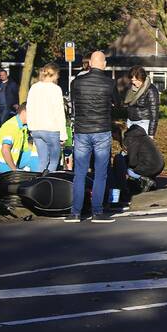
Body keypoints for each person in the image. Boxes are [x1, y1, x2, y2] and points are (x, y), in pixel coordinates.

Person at [67, 51, 121, 223]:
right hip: (102, 130)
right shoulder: (110, 83)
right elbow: (118, 104)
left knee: (80, 172)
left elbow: (73, 102)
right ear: (104, 64)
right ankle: (97, 211)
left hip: (82, 131)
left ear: (89, 63)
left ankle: (75, 212)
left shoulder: (77, 82)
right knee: (100, 173)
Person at [111, 122, 165, 210]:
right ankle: (147, 180)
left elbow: (133, 162)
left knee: (123, 165)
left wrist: (123, 162)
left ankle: (143, 179)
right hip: (158, 164)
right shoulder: (138, 135)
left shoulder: (131, 138)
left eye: (112, 136)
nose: (113, 139)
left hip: (150, 166)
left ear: (116, 133)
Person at [26, 63, 68, 173]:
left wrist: (30, 127)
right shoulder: (56, 89)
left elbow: (29, 108)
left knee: (42, 160)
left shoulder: (34, 88)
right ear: (54, 74)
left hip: (36, 129)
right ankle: (48, 183)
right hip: (51, 129)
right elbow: (59, 112)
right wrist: (63, 134)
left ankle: (39, 184)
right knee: (54, 161)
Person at [0, 105, 29, 173]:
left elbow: (26, 150)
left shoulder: (23, 127)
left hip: (9, 163)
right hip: (1, 164)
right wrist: (14, 170)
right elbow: (5, 150)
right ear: (24, 112)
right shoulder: (12, 126)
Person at [123, 65, 159, 135]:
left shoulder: (151, 90)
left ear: (141, 78)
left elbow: (154, 113)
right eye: (132, 80)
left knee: (141, 146)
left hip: (143, 123)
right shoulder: (131, 88)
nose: (134, 82)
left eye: (136, 80)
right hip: (130, 122)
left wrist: (151, 134)